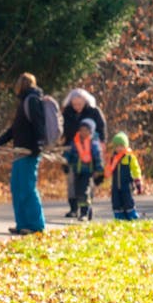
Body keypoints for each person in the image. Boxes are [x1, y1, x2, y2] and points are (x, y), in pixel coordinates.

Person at [0, 73, 48, 235]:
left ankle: (36, 225)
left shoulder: (32, 100)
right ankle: (22, 223)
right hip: (19, 152)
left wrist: (38, 145)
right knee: (17, 187)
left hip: (29, 152)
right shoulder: (25, 101)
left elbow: (39, 124)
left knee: (27, 188)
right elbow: (14, 129)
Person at [61, 89, 107, 218]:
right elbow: (62, 130)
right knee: (72, 181)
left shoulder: (93, 111)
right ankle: (73, 208)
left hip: (89, 151)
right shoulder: (67, 112)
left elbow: (102, 128)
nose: (77, 107)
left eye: (80, 104)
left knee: (87, 183)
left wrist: (101, 145)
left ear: (85, 102)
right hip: (72, 148)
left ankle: (86, 208)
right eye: (75, 104)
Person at [63, 118, 104, 221]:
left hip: (88, 172)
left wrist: (99, 171)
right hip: (77, 170)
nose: (83, 132)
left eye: (86, 130)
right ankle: (86, 210)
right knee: (77, 192)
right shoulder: (75, 142)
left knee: (84, 192)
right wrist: (65, 163)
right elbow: (69, 153)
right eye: (81, 130)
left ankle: (84, 213)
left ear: (91, 131)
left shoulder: (93, 143)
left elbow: (98, 157)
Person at [105, 131, 144, 220]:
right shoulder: (113, 158)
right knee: (116, 202)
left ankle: (131, 215)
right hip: (116, 185)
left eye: (121, 146)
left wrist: (138, 181)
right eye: (117, 146)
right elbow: (108, 170)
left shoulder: (130, 157)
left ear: (126, 146)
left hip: (127, 184)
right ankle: (119, 217)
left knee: (128, 200)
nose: (119, 148)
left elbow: (136, 170)